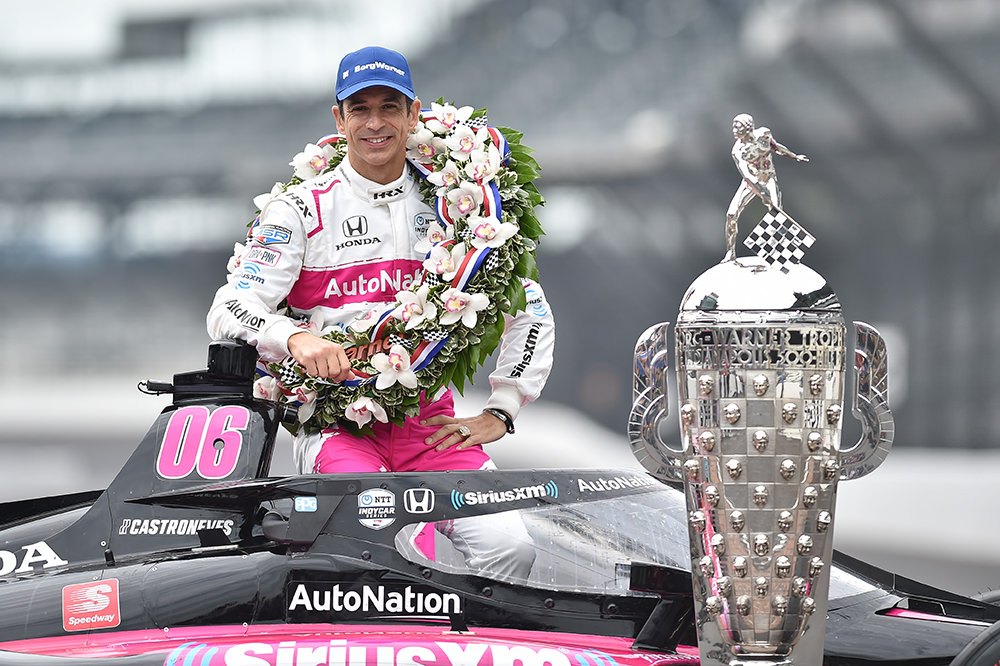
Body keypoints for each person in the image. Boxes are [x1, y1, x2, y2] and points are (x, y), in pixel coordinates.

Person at [206, 46, 553, 580]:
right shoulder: (301, 207)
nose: (375, 123)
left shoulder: (461, 204)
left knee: (511, 548)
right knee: (378, 559)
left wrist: (502, 408)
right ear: (338, 119)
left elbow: (527, 305)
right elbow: (230, 306)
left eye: (389, 107)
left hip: (432, 428)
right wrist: (294, 337)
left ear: (414, 115)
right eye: (359, 108)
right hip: (340, 429)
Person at [724, 113, 809, 260]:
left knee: (777, 211)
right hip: (751, 183)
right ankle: (730, 252)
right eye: (734, 127)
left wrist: (794, 156)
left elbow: (776, 147)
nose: (734, 130)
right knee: (731, 215)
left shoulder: (764, 134)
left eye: (737, 127)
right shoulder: (737, 151)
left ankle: (777, 246)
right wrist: (762, 193)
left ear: (747, 127)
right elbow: (747, 175)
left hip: (768, 178)